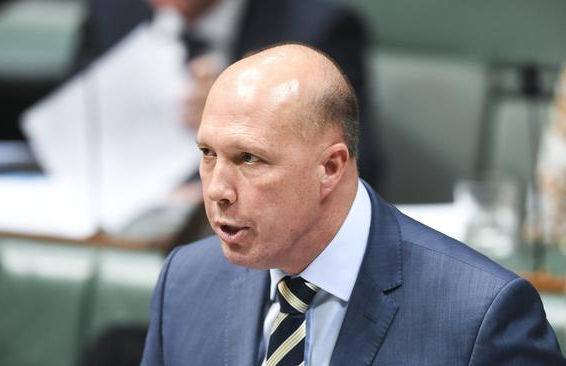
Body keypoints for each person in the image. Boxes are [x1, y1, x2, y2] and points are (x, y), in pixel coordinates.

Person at [140, 44, 565, 365]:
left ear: (330, 167)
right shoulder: (185, 283)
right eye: (208, 154)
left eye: (249, 159)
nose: (217, 189)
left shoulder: (481, 317)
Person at [73, 0, 380, 185]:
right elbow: (67, 124)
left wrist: (246, 112)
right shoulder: (112, 11)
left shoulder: (317, 29)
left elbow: (354, 167)